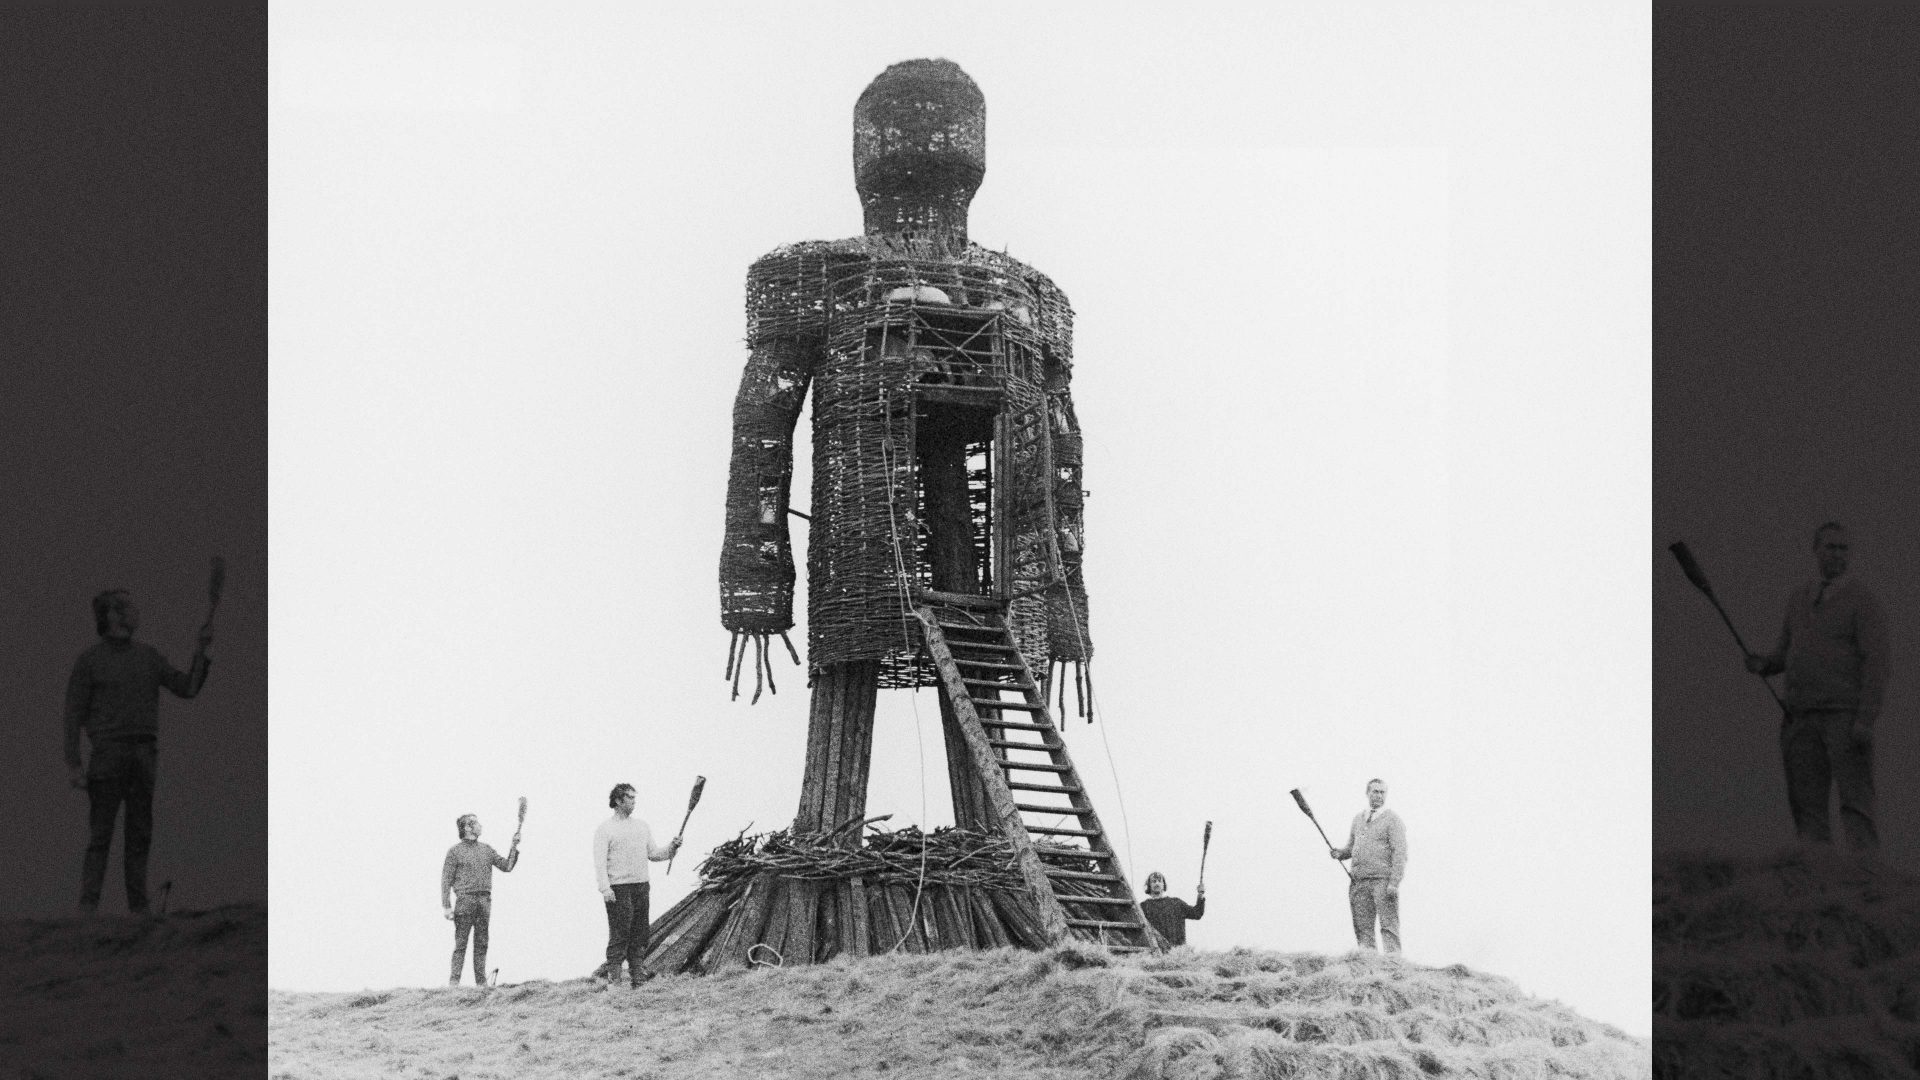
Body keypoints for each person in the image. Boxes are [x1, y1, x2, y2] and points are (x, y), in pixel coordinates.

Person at [64, 588, 211, 915]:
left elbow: (187, 687)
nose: (136, 611)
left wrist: (201, 652)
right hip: (108, 754)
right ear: (113, 615)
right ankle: (88, 907)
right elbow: (73, 714)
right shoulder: (89, 661)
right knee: (101, 835)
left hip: (144, 753)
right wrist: (73, 763)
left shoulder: (149, 656)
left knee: (139, 833)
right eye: (128, 606)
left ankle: (138, 909)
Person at [1745, 522, 1889, 850]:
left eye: (1843, 548)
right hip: (1799, 717)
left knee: (1856, 805)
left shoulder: (1863, 600)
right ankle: (1818, 884)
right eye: (1830, 547)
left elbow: (1877, 663)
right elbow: (1786, 652)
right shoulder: (1798, 598)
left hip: (1845, 718)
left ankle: (1866, 883)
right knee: (1806, 808)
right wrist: (1765, 664)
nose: (1838, 554)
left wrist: (1865, 720)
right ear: (1816, 550)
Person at [593, 783, 680, 986]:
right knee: (620, 933)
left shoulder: (642, 826)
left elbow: (654, 854)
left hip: (641, 885)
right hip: (618, 888)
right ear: (618, 801)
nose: (634, 801)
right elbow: (599, 863)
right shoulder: (605, 829)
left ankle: (637, 977)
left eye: (634, 797)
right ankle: (614, 978)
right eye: (630, 798)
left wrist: (671, 848)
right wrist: (605, 889)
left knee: (640, 933)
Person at [441, 812, 520, 986]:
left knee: (482, 943)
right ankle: (454, 984)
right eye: (476, 823)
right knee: (461, 944)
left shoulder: (486, 849)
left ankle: (481, 984)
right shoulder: (454, 852)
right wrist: (446, 906)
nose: (480, 826)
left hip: (484, 901)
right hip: (465, 900)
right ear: (467, 828)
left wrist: (513, 847)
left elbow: (506, 866)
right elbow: (446, 880)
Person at [1329, 778, 1408, 953]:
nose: (1379, 796)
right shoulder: (1358, 819)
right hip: (1359, 882)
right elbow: (1351, 847)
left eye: (1382, 792)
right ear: (1367, 793)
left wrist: (1394, 883)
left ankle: (1393, 968)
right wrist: (1340, 853)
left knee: (1389, 926)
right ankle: (1368, 967)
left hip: (1383, 882)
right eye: (1375, 792)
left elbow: (1400, 853)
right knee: (1362, 927)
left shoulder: (1393, 820)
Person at [1138, 871, 1205, 948]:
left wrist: (1200, 894)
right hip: (1156, 953)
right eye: (1153, 881)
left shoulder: (1176, 903)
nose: (1157, 883)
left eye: (1159, 881)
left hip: (1177, 953)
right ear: (1149, 885)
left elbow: (1197, 913)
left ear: (1164, 885)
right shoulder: (1143, 907)